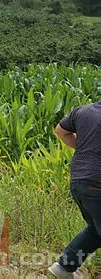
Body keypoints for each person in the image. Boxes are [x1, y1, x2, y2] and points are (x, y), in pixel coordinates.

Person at [49, 102, 101, 277]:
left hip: (79, 182)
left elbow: (60, 131)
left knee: (96, 229)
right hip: (97, 185)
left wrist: (87, 148)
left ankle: (63, 267)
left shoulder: (83, 111)